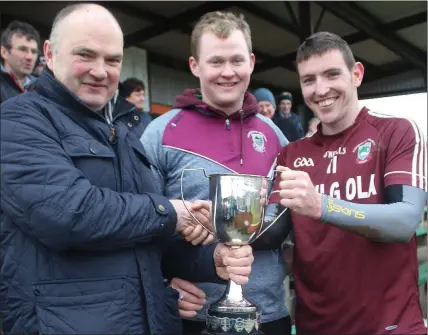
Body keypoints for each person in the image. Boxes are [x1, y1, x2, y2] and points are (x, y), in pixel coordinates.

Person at [0, 4, 254, 334]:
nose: (100, 70)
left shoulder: (123, 132)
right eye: (85, 55)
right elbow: (68, 214)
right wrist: (172, 212)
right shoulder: (19, 120)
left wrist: (209, 261)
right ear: (49, 53)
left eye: (112, 60)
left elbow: (142, 238)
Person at [142, 11, 293, 335]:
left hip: (269, 315)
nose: (228, 72)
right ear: (195, 65)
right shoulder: (159, 134)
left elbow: (291, 219)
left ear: (251, 62)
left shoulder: (276, 138)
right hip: (191, 319)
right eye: (216, 62)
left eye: (237, 60)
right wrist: (165, 285)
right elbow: (138, 227)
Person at [270, 31, 427, 334]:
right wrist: (216, 223)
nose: (321, 89)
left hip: (390, 327)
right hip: (315, 327)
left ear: (356, 74)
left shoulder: (396, 132)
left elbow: (406, 220)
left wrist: (321, 205)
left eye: (332, 74)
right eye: (309, 80)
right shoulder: (292, 154)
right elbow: (272, 232)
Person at [0, 20, 40, 103]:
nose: (30, 57)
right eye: (22, 49)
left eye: (34, 51)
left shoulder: (42, 86)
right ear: (4, 52)